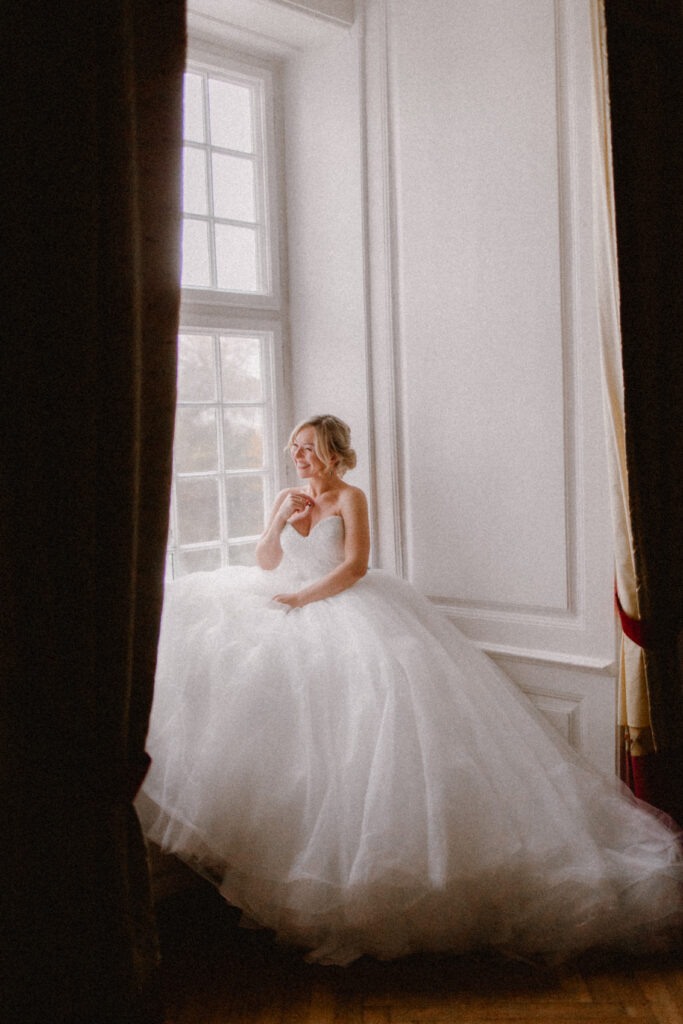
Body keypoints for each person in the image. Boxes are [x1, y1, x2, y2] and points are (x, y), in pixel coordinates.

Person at [137, 414, 682, 966]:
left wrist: (302, 602)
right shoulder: (288, 495)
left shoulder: (351, 498)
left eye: (306, 449)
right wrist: (278, 521)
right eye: (293, 448)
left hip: (343, 610)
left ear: (331, 453)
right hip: (288, 607)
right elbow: (266, 563)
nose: (296, 456)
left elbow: (353, 567)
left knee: (371, 734)